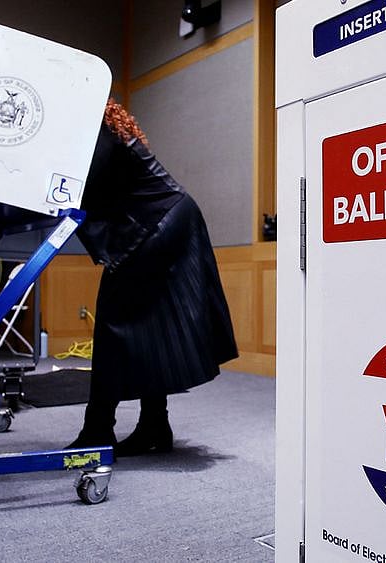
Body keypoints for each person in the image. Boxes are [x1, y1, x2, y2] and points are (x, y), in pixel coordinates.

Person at [66, 98, 238, 456]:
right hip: (170, 218)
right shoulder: (106, 125)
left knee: (113, 325)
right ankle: (154, 425)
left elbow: (80, 186)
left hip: (157, 223)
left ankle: (99, 429)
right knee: (151, 327)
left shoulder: (94, 131)